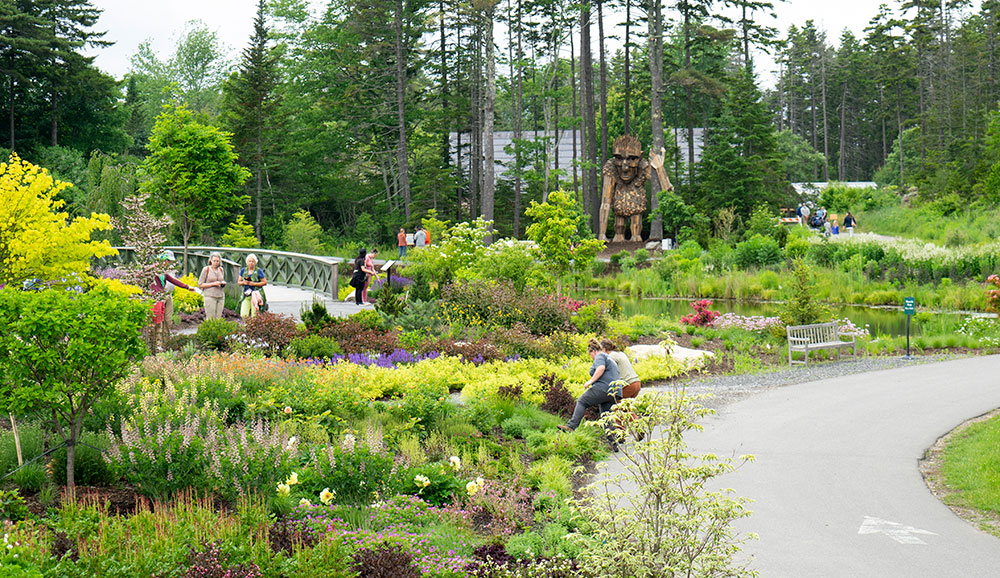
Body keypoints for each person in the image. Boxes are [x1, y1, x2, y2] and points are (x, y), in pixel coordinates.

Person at [558, 339, 620, 436]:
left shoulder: (600, 356)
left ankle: (571, 426)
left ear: (593, 351)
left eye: (590, 354)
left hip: (604, 387)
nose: (591, 357)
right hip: (615, 391)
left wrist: (590, 381)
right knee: (606, 416)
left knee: (582, 401)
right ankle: (615, 441)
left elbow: (601, 368)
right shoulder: (609, 358)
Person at [150, 250, 194, 347]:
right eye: (167, 261)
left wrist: (187, 287)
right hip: (158, 298)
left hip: (167, 296)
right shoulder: (153, 270)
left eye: (169, 261)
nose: (168, 263)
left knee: (168, 320)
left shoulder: (166, 272)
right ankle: (157, 344)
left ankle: (165, 342)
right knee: (158, 322)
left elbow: (174, 281)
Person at [198, 252, 227, 320]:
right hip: (210, 296)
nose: (216, 262)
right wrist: (213, 284)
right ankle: (209, 330)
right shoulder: (206, 269)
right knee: (210, 318)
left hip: (220, 296)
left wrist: (222, 283)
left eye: (217, 261)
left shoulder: (221, 269)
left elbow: (221, 280)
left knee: (218, 318)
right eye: (214, 261)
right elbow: (200, 284)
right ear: (211, 260)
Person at [238, 254, 267, 319]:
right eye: (249, 261)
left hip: (256, 294)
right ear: (247, 262)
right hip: (246, 294)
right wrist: (244, 282)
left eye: (252, 261)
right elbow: (239, 282)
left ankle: (253, 327)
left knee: (255, 314)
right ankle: (246, 325)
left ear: (255, 262)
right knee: (243, 314)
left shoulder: (258, 271)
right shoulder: (243, 270)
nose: (251, 263)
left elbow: (264, 282)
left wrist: (254, 284)